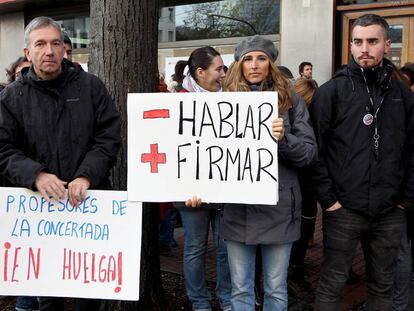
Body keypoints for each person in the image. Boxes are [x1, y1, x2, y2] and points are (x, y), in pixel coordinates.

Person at [0, 16, 120, 311]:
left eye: (55, 43)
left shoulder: (91, 87)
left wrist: (86, 176)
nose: (49, 51)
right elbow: (3, 149)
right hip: (39, 217)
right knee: (47, 301)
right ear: (28, 52)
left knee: (89, 301)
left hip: (88, 212)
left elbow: (109, 138)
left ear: (65, 50)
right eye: (40, 44)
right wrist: (36, 175)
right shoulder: (11, 97)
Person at [309, 14, 414, 310]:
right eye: (357, 41)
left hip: (391, 211)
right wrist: (329, 201)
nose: (364, 48)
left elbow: (411, 150)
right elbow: (315, 150)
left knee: (384, 286)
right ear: (351, 45)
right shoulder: (331, 92)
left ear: (387, 44)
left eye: (372, 41)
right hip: (344, 210)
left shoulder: (403, 95)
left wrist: (405, 200)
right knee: (332, 283)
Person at [222, 35, 317, 310]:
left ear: (270, 63)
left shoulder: (291, 100)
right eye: (247, 59)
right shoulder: (222, 102)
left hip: (279, 206)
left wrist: (284, 138)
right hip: (238, 209)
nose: (254, 65)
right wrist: (202, 193)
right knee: (240, 290)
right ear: (238, 65)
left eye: (261, 58)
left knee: (275, 288)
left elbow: (309, 154)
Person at [175, 46, 231, 311]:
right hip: (192, 196)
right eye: (219, 68)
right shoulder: (177, 101)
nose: (224, 73)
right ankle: (199, 302)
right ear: (201, 72)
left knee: (225, 249)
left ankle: (226, 296)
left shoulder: (232, 99)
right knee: (195, 249)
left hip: (223, 191)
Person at [288, 77, 318, 300]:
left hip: (301, 184)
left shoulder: (302, 117)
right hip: (301, 184)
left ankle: (295, 269)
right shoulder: (303, 115)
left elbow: (308, 153)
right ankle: (295, 269)